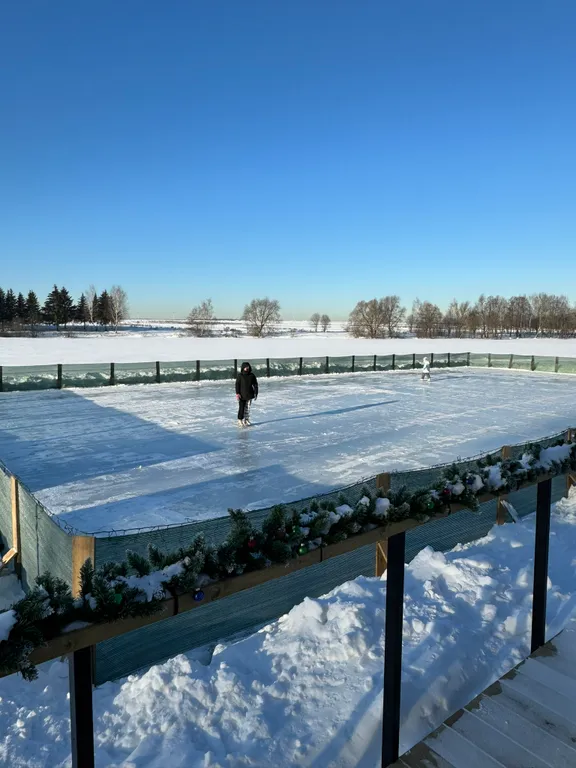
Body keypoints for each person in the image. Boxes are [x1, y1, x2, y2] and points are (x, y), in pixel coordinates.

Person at [236, 361, 258, 426]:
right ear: (243, 368)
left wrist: (256, 393)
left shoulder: (252, 375)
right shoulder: (240, 376)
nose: (246, 368)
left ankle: (246, 420)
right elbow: (237, 384)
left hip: (249, 394)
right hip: (241, 395)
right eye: (245, 367)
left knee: (247, 409)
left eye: (247, 367)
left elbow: (255, 385)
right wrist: (237, 393)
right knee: (241, 408)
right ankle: (240, 420)